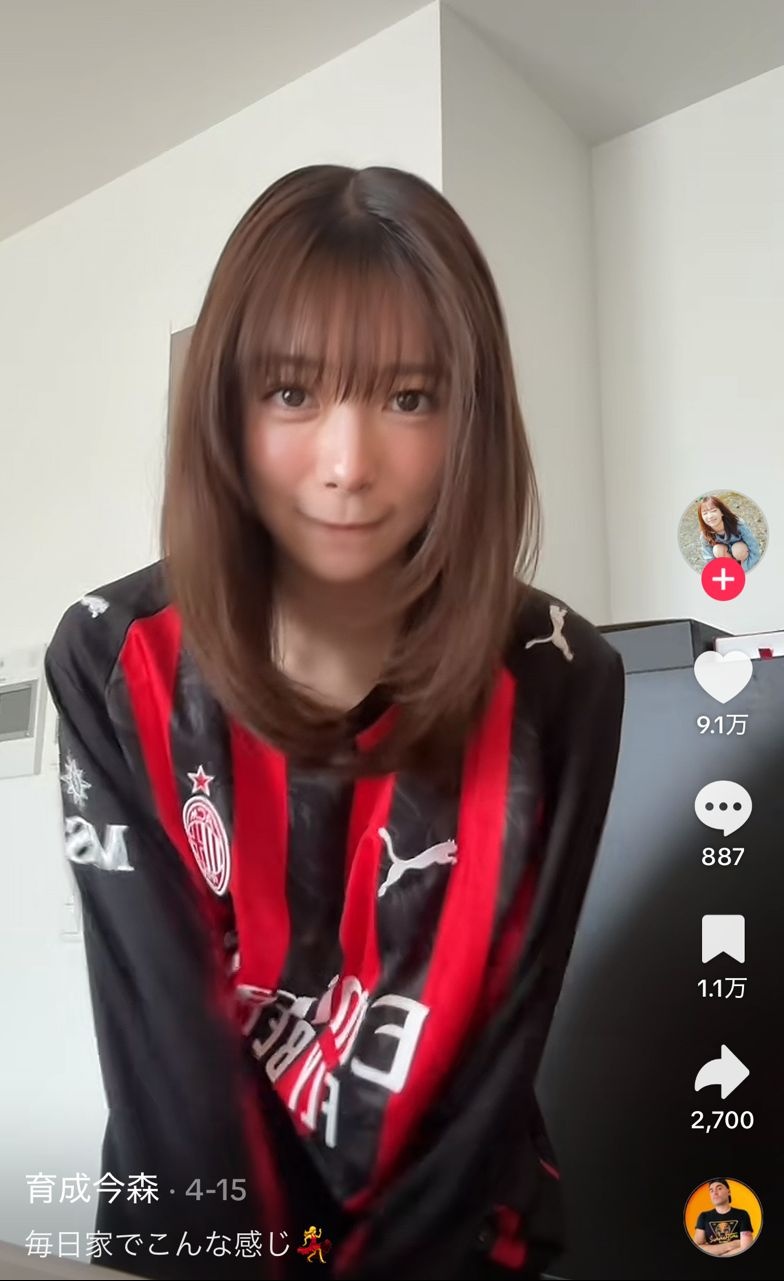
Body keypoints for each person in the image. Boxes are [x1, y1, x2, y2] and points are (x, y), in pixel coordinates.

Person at [45, 165, 625, 1281]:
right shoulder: (113, 659)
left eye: (409, 398)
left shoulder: (561, 679)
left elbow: (487, 1070)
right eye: (291, 392)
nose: (349, 467)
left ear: (470, 418)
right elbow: (172, 1073)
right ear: (224, 408)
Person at [697, 495, 761, 571]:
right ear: (701, 517)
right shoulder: (705, 534)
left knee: (738, 549)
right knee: (717, 550)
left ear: (722, 512)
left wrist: (746, 570)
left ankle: (743, 568)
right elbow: (709, 557)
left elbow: (753, 546)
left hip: (743, 554)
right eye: (705, 513)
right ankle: (732, 569)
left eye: (713, 511)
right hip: (727, 557)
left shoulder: (738, 524)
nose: (710, 516)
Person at [693, 1179, 756, 1256]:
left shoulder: (742, 1214)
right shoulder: (704, 1216)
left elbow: (746, 1248)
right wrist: (732, 1245)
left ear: (728, 1191)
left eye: (719, 1188)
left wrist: (715, 1253)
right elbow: (697, 1248)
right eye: (711, 1190)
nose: (715, 1193)